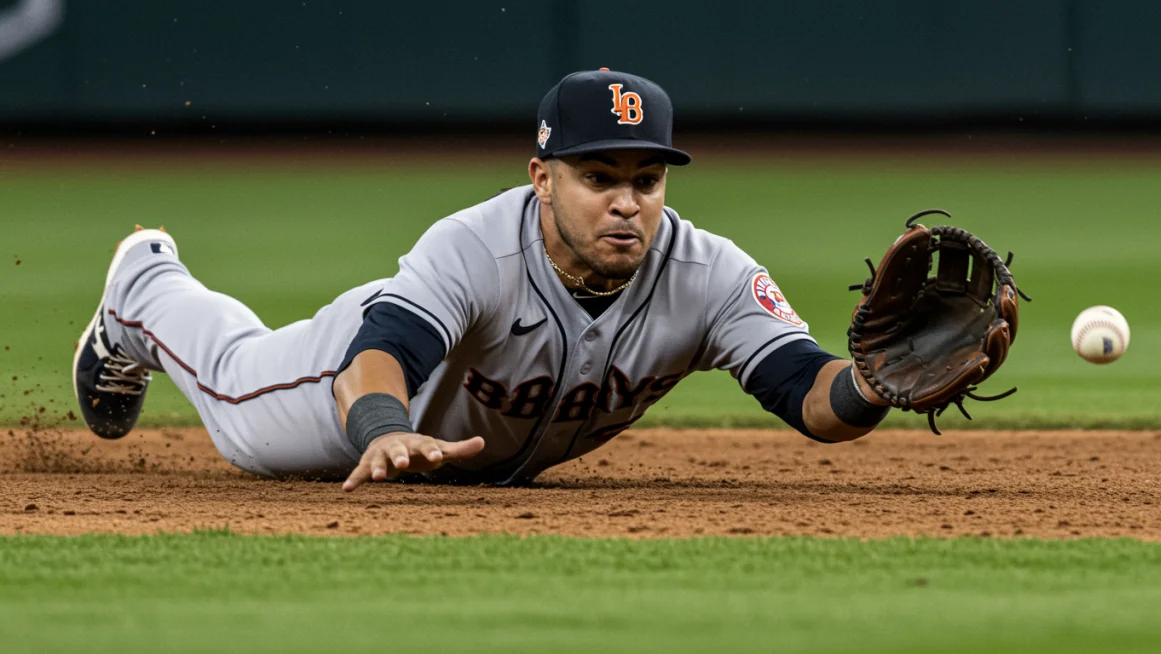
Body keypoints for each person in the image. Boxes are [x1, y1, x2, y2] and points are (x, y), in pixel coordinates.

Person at [73, 68, 890, 492]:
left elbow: (810, 395)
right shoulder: (475, 246)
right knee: (236, 400)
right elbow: (374, 360)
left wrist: (873, 383)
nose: (627, 203)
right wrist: (382, 428)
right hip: (351, 374)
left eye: (647, 180)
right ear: (542, 178)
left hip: (454, 434)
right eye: (598, 177)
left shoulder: (709, 274)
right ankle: (143, 283)